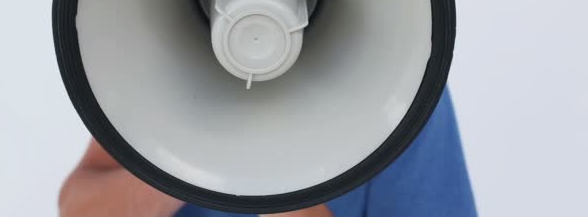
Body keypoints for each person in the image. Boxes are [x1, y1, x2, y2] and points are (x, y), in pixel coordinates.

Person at [59, 89, 477, 216]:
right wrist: (182, 154)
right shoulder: (158, 74)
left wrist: (277, 155)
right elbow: (79, 208)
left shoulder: (402, 100)